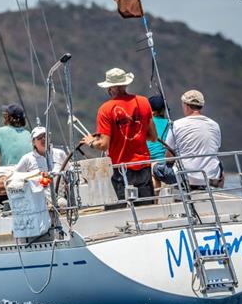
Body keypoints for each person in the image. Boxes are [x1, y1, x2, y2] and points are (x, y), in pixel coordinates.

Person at [79, 67, 157, 203]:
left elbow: (103, 145)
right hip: (143, 166)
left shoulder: (105, 109)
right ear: (125, 84)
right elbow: (153, 136)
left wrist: (91, 142)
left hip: (121, 169)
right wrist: (133, 132)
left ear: (111, 89)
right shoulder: (144, 102)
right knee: (146, 210)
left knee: (122, 212)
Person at [153, 90, 223, 188]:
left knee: (155, 168)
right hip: (211, 176)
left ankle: (156, 201)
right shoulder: (215, 125)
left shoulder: (176, 125)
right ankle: (217, 193)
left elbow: (169, 158)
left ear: (186, 105)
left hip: (185, 177)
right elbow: (215, 150)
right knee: (220, 166)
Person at [146, 95, 171, 189]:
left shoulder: (145, 123)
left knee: (153, 175)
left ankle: (155, 201)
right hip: (167, 163)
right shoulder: (170, 123)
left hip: (151, 162)